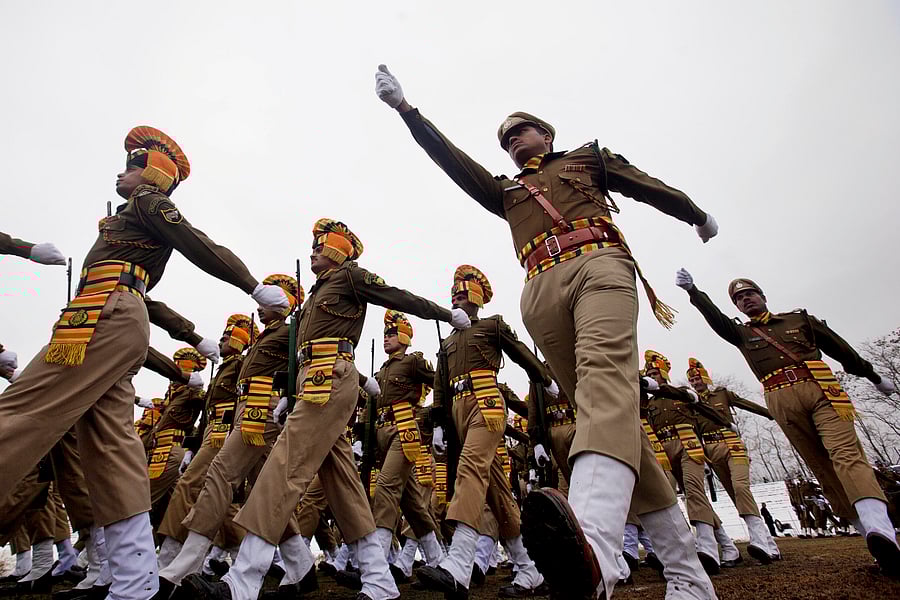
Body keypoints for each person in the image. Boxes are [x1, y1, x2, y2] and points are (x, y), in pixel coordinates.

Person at [375, 64, 719, 599]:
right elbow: (453, 164)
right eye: (506, 139)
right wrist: (408, 112)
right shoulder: (506, 191)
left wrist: (694, 214)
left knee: (605, 385)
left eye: (521, 132)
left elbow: (647, 186)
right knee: (608, 414)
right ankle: (688, 575)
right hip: (539, 287)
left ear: (547, 134)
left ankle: (596, 551)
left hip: (598, 262)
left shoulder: (587, 158)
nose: (513, 142)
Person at [0, 126, 290, 600]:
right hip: (109, 315)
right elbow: (148, 298)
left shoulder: (148, 203)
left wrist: (250, 284)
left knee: (22, 411)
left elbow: (197, 242)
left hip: (101, 317)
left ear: (153, 173)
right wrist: (191, 334)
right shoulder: (125, 221)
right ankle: (135, 582)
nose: (121, 172)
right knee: (110, 448)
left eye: (131, 165)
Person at [181, 218, 470, 600]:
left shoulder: (351, 276)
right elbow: (294, 355)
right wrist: (287, 392)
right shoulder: (315, 296)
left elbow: (398, 296)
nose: (313, 249)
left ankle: (243, 580)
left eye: (321, 244)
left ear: (339, 247)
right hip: (310, 382)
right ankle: (379, 579)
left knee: (284, 465)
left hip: (331, 378)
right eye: (312, 244)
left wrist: (444, 314)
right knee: (344, 485)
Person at [676, 269, 899, 574]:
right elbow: (717, 320)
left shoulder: (798, 320)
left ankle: (881, 531)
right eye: (739, 299)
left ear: (763, 296)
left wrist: (872, 375)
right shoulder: (742, 333)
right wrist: (695, 293)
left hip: (821, 388)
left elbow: (839, 347)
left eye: (750, 293)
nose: (745, 299)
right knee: (822, 466)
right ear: (737, 307)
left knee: (845, 454)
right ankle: (874, 542)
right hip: (780, 398)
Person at [686, 358, 780, 561]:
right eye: (692, 380)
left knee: (741, 488)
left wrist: (773, 414)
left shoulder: (721, 394)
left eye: (697, 378)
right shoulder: (691, 401)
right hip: (710, 450)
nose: (695, 382)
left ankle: (759, 541)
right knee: (734, 494)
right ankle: (769, 544)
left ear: (705, 377)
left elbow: (746, 405)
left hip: (732, 444)